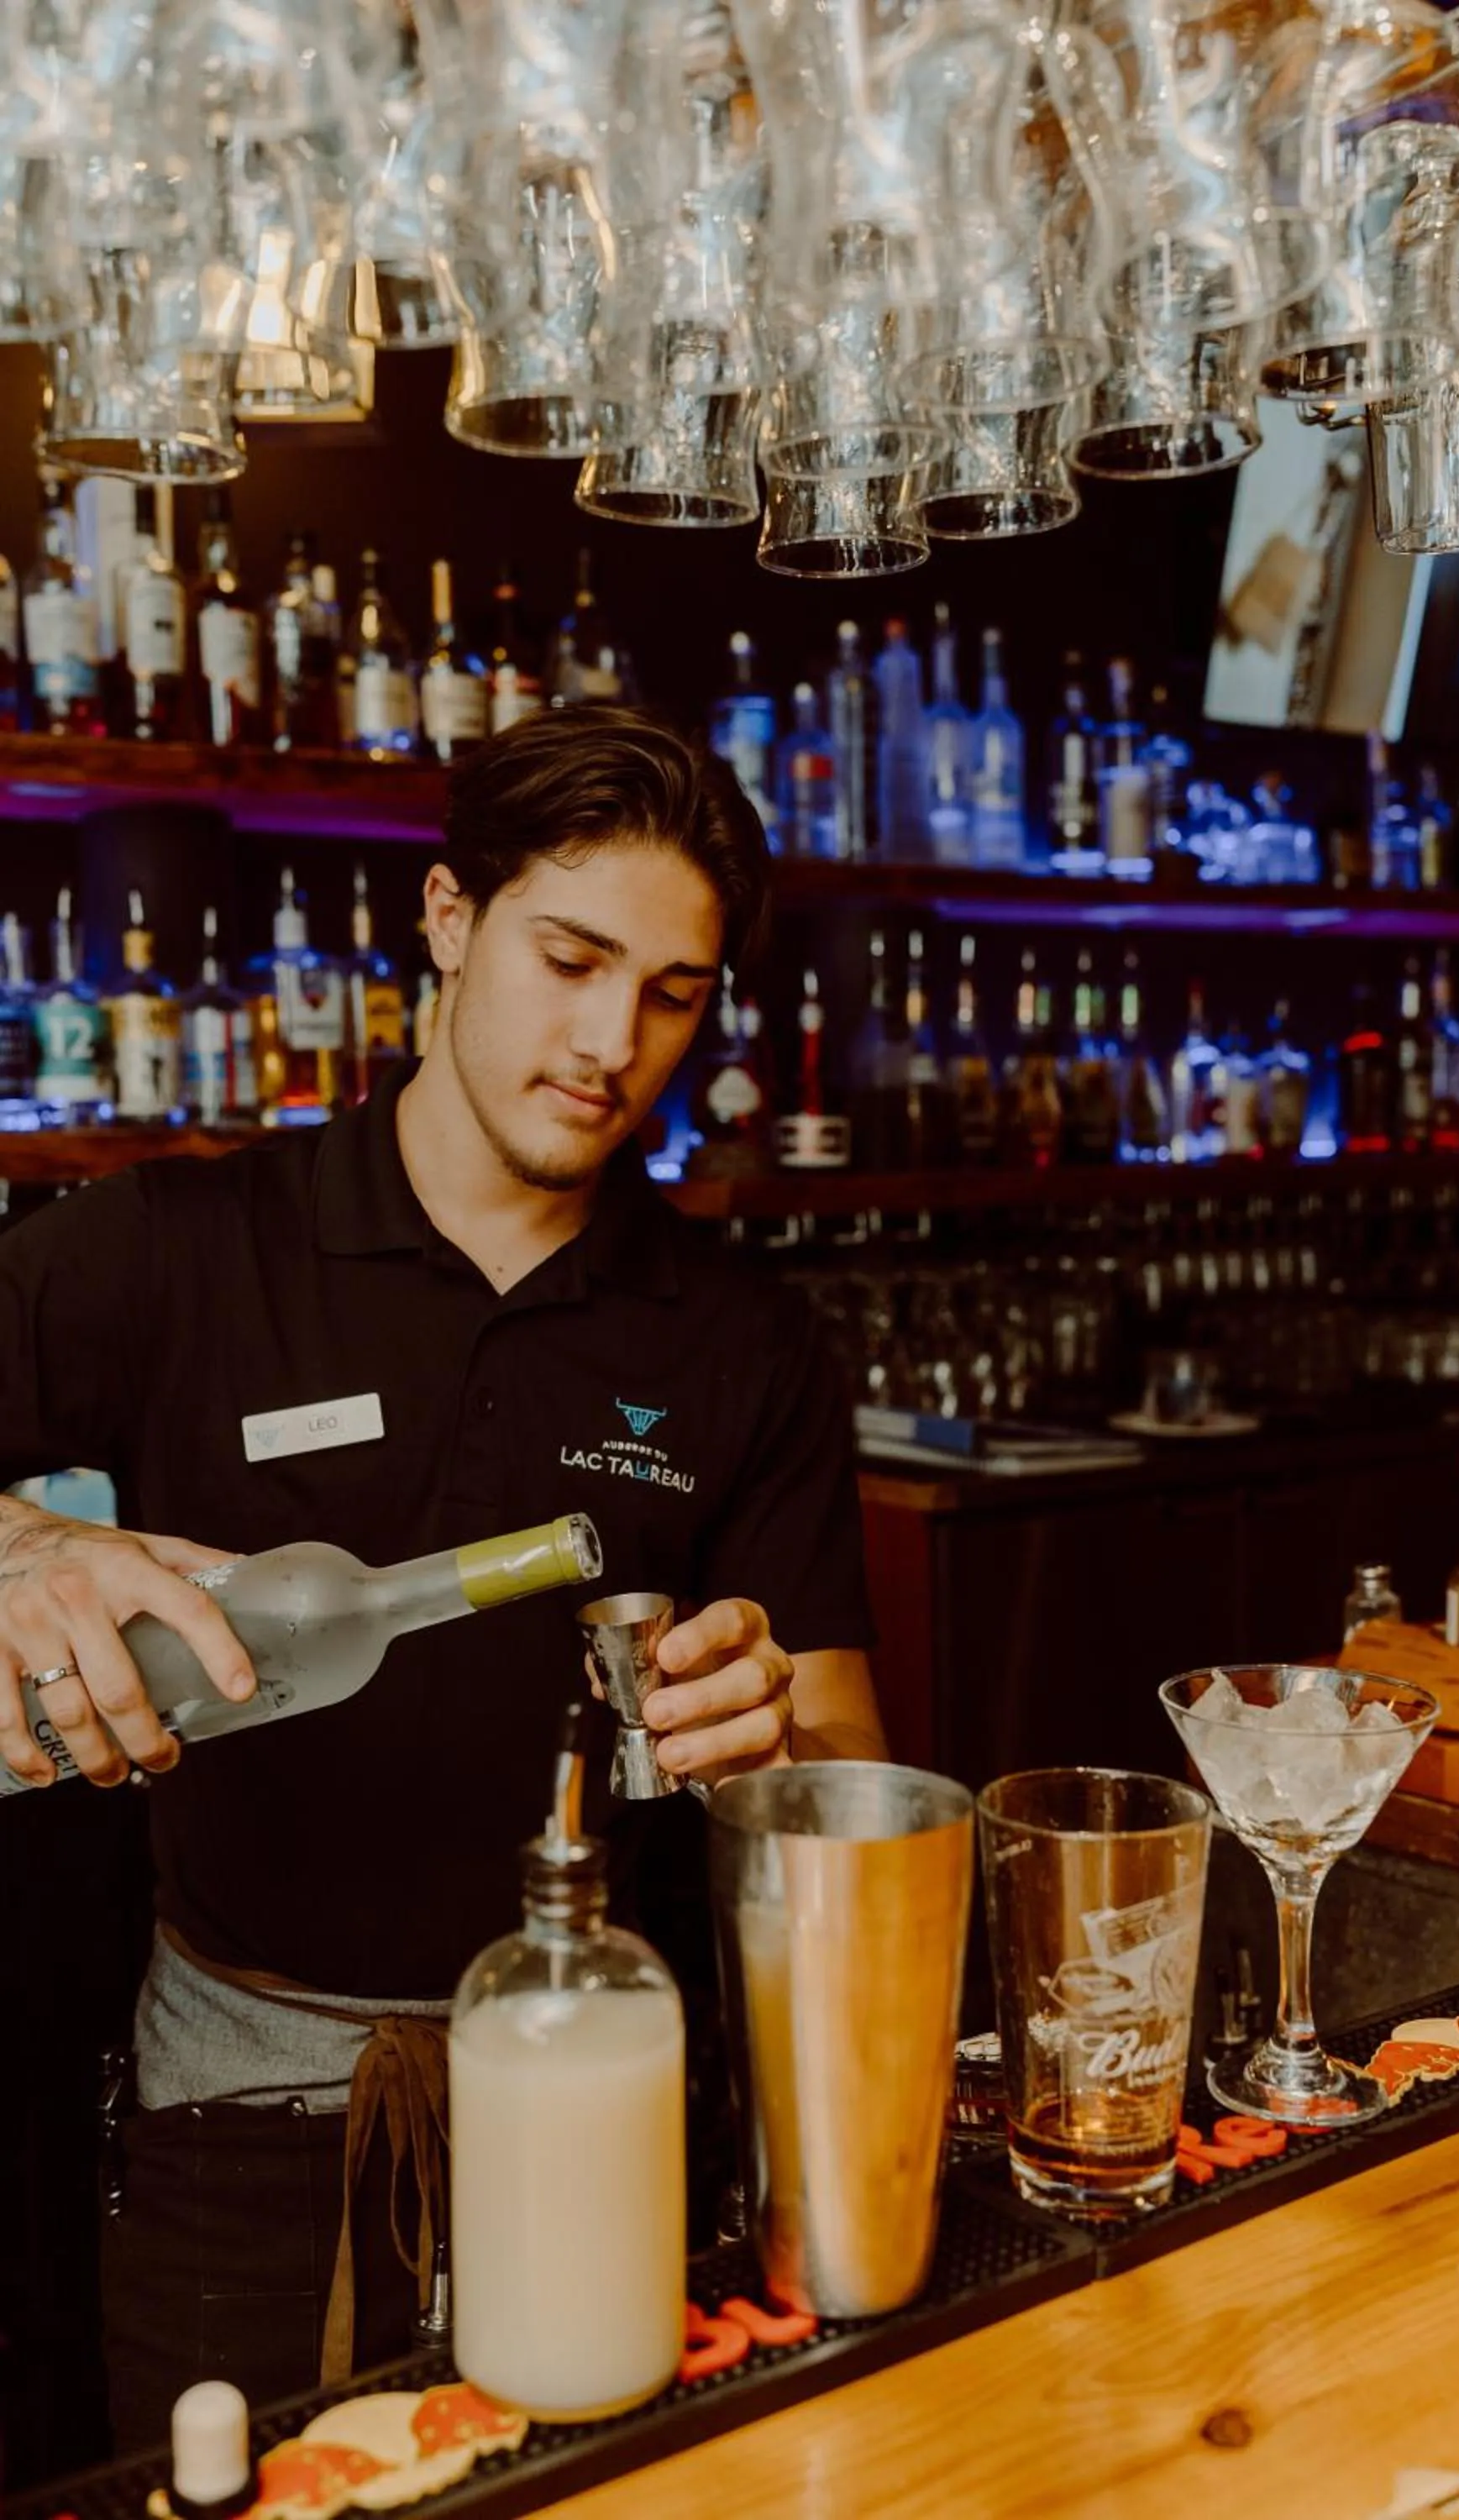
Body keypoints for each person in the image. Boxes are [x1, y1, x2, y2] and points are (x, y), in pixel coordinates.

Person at [0, 705, 885, 2448]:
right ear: (450, 922)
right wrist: (21, 1541)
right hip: (235, 2106)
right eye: (569, 957)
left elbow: (843, 1738)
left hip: (603, 2082)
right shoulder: (179, 1248)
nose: (609, 1040)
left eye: (672, 993)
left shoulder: (744, 1340)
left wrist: (769, 1736)